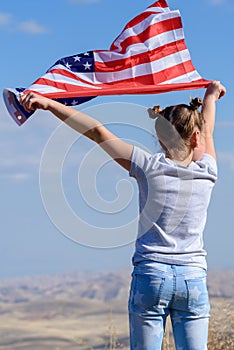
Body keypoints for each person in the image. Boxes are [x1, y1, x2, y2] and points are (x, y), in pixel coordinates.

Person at [20, 80, 226, 350]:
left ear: (161, 139)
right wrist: (210, 97)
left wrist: (49, 104)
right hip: (192, 279)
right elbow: (208, 134)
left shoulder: (147, 166)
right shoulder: (207, 171)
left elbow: (96, 131)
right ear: (196, 137)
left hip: (151, 276)